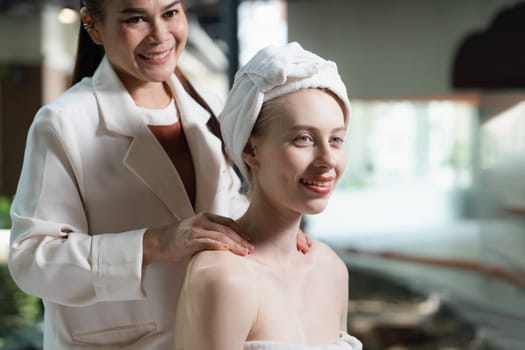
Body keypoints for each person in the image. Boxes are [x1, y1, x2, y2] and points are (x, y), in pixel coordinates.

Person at [7, 1, 310, 349]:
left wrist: (269, 227)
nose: (160, 35)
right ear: (92, 25)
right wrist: (155, 243)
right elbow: (32, 261)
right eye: (135, 18)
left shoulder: (209, 107)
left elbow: (227, 206)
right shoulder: (63, 123)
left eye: (170, 13)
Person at [174, 42, 363, 350]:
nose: (327, 159)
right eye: (303, 138)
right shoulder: (223, 277)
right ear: (250, 150)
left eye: (336, 139)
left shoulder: (331, 268)